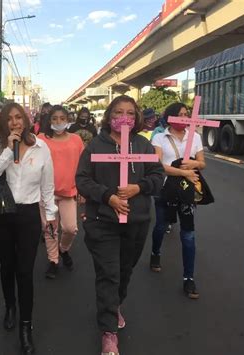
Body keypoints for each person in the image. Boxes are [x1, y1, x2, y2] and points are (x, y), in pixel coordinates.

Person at [76, 95, 164, 355]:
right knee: (109, 273)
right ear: (109, 116)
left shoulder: (143, 146)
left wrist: (139, 187)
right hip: (102, 222)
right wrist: (108, 197)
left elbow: (157, 176)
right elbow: (82, 180)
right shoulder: (95, 146)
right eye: (118, 112)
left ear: (136, 117)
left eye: (129, 112)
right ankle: (108, 331)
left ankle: (113, 306)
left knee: (125, 272)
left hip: (136, 222)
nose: (123, 117)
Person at [0, 102, 57, 355]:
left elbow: (48, 184)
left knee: (25, 271)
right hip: (3, 213)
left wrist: (50, 215)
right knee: (7, 266)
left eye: (18, 118)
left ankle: (26, 327)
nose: (15, 122)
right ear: (4, 122)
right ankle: (9, 306)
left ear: (25, 120)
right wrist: (9, 149)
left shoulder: (41, 146)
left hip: (28, 214)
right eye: (9, 119)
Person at [150, 102, 205, 299]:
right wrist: (183, 172)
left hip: (187, 191)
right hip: (164, 190)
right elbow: (158, 164)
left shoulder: (195, 137)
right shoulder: (159, 137)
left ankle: (188, 278)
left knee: (188, 234)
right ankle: (155, 252)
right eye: (180, 114)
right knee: (161, 226)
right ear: (171, 117)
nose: (184, 118)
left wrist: (195, 163)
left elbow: (202, 162)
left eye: (187, 114)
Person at [38, 105, 84, 279]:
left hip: (69, 192)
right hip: (46, 194)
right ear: (49, 121)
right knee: (50, 229)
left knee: (70, 228)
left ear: (68, 120)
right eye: (54, 118)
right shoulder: (41, 139)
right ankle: (53, 261)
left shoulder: (76, 140)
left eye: (62, 118)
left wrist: (83, 190)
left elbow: (83, 167)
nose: (58, 122)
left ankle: (63, 250)